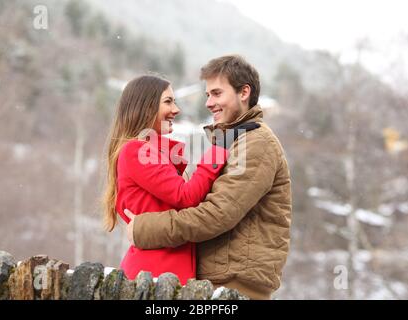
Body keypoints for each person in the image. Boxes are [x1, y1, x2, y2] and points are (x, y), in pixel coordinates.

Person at [124, 55, 292, 300]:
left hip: (236, 285)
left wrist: (145, 228)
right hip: (214, 282)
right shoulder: (230, 141)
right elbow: (191, 196)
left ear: (244, 92)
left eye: (216, 93)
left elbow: (216, 215)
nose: (209, 103)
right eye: (207, 95)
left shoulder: (256, 143)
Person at [102, 75, 258, 285]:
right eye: (168, 102)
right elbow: (186, 196)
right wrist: (220, 147)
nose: (176, 109)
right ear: (145, 106)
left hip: (168, 271)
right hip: (155, 272)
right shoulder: (135, 151)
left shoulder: (156, 154)